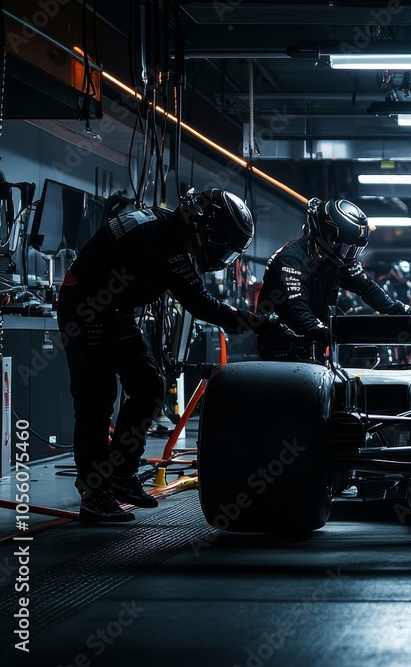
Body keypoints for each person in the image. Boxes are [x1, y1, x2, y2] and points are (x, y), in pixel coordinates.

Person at [57, 189, 283, 523]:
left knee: (148, 386)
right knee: (96, 402)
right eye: (223, 246)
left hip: (114, 311)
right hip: (85, 311)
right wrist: (260, 323)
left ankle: (120, 475)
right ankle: (94, 495)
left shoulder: (167, 226)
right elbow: (203, 304)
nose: (221, 255)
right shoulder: (164, 244)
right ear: (207, 231)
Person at [255, 198, 411, 362]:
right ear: (328, 238)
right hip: (281, 347)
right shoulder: (291, 260)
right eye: (347, 249)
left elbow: (367, 288)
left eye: (355, 251)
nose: (350, 256)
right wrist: (341, 333)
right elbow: (299, 313)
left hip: (314, 343)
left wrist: (397, 310)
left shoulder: (335, 258)